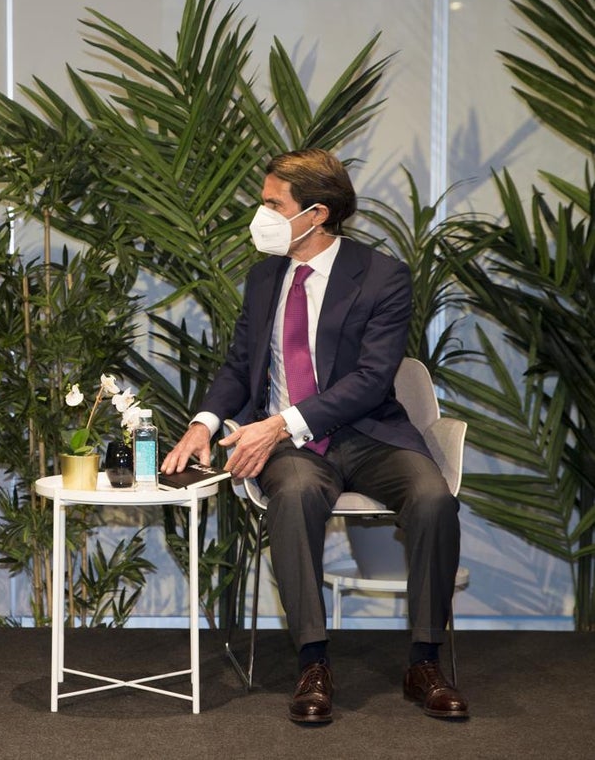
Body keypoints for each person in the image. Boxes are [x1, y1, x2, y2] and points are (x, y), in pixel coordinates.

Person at [161, 148, 468, 724]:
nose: (262, 214)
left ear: (317, 213)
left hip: (369, 432)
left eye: (274, 204)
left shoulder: (382, 276)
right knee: (297, 494)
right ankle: (313, 660)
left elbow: (374, 379)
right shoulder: (263, 276)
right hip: (293, 451)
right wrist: (203, 423)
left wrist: (279, 421)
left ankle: (425, 662)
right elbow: (238, 365)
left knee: (432, 498)